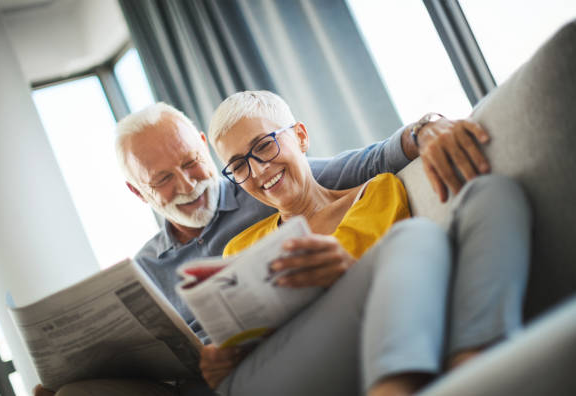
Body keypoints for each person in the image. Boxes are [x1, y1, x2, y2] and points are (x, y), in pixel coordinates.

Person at [33, 99, 493, 396]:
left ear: (201, 148)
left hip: (275, 356)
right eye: (163, 180)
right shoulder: (148, 268)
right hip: (201, 380)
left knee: (461, 213)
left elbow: (372, 162)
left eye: (192, 163)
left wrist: (426, 127)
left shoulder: (270, 185)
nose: (189, 184)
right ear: (139, 193)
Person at [201, 90, 531, 396]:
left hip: (374, 340)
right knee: (414, 237)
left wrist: (348, 274)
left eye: (263, 146)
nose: (257, 171)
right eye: (239, 166)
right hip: (285, 367)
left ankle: (472, 372)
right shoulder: (239, 249)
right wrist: (225, 358)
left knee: (493, 194)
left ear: (301, 136)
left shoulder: (377, 192)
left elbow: (403, 286)